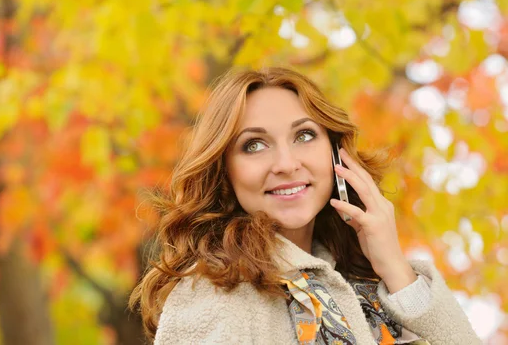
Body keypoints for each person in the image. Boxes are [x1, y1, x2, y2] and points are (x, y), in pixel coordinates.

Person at [128, 67, 481, 344]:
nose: (285, 163)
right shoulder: (214, 292)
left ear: (335, 153)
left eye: (304, 135)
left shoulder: (361, 285)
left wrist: (397, 271)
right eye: (254, 145)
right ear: (225, 170)